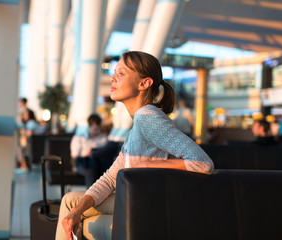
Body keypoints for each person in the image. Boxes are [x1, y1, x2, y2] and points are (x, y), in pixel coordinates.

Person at [56, 51, 214, 240]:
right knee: (72, 204)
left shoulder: (148, 117)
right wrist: (78, 210)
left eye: (121, 73)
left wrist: (148, 166)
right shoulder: (139, 123)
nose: (113, 77)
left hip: (147, 206)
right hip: (135, 198)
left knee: (71, 206)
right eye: (115, 72)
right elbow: (109, 179)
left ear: (144, 83)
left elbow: (203, 163)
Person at [70, 113, 108, 187]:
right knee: (92, 165)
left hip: (100, 162)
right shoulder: (79, 138)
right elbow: (74, 156)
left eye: (100, 129)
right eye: (96, 129)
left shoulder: (103, 138)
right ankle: (92, 193)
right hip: (82, 163)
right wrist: (89, 154)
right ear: (89, 126)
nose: (98, 132)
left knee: (101, 163)